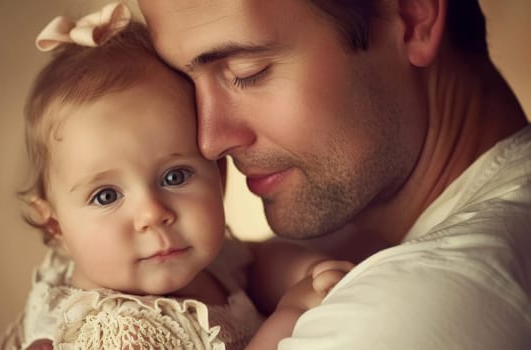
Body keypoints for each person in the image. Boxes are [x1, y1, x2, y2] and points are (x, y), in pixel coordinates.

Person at [138, 0, 531, 348]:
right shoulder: (330, 251)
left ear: (413, 19)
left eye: (247, 71)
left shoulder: (413, 304)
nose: (209, 142)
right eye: (185, 86)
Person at [0, 3, 354, 350]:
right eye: (106, 196)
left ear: (218, 176)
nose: (153, 213)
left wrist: (308, 271)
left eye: (175, 176)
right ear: (56, 227)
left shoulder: (202, 260)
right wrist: (290, 314)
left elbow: (254, 264)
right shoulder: (119, 334)